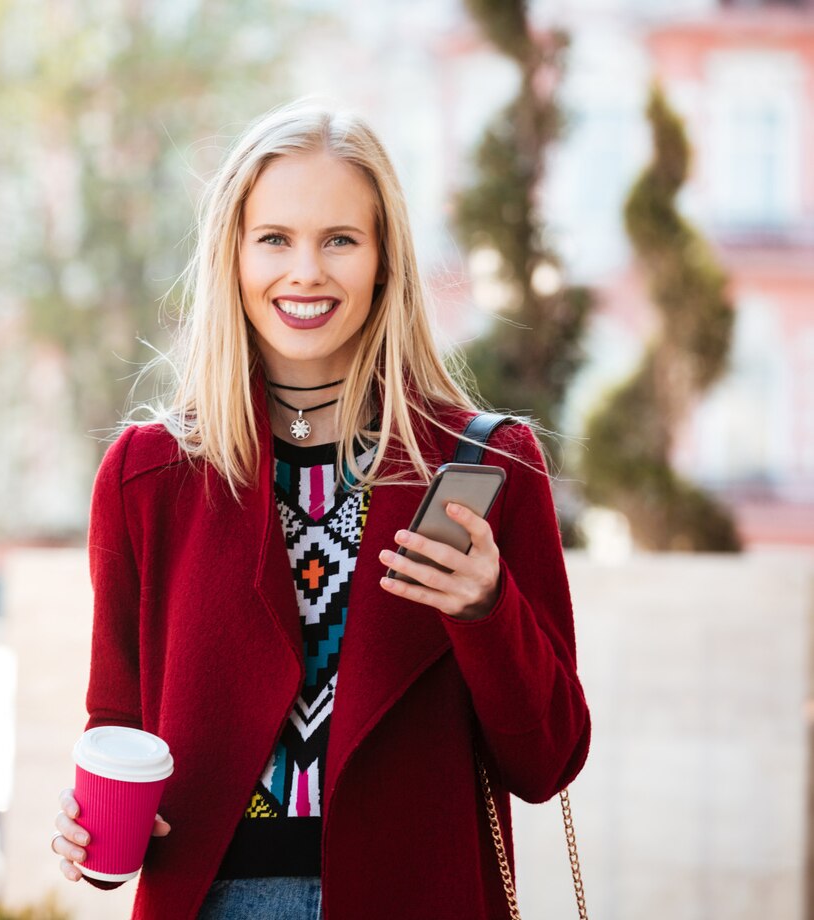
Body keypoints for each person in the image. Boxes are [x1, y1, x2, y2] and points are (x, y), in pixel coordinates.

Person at [49, 100, 590, 919]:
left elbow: (547, 761)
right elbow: (118, 732)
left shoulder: (486, 466)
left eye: (340, 239)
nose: (306, 271)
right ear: (232, 256)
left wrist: (487, 609)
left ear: (383, 262)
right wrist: (91, 839)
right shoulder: (150, 477)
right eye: (275, 239)